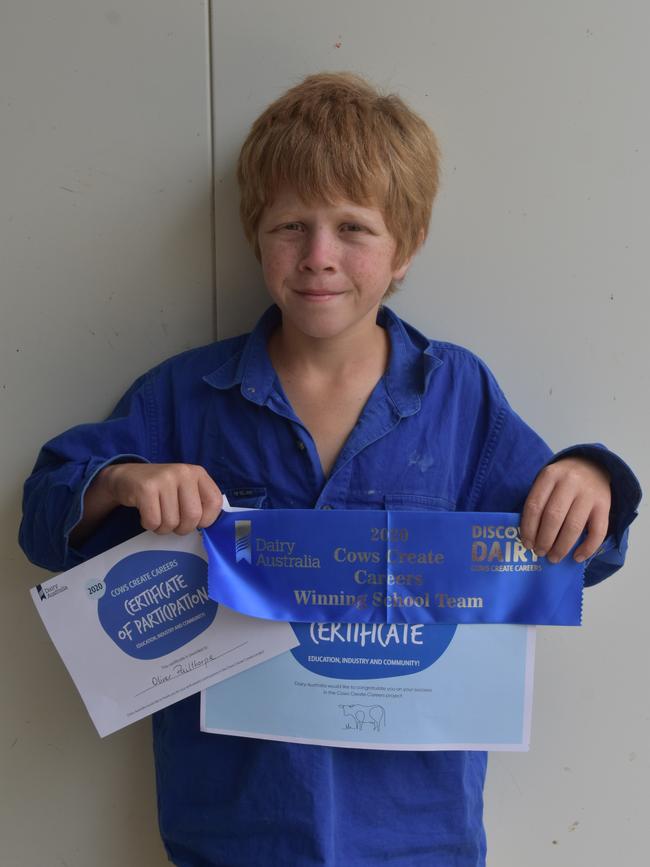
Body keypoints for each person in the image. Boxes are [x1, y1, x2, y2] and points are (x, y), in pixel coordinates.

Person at [20, 72, 640, 866]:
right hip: (232, 829)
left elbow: (576, 554)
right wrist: (120, 483)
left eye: (354, 227)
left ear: (405, 249)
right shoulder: (181, 396)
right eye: (290, 226)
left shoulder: (460, 395)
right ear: (255, 236)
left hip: (419, 832)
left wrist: (592, 478)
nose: (319, 257)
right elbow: (43, 514)